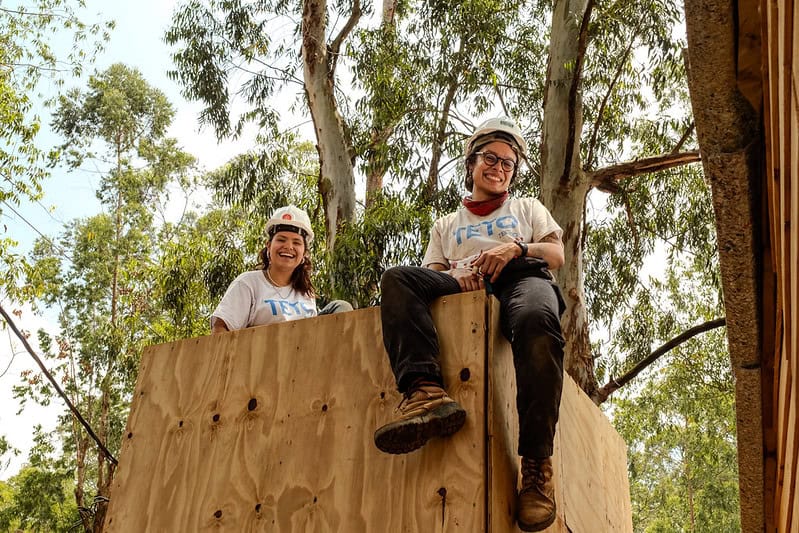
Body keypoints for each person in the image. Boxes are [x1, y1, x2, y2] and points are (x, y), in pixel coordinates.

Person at [373, 117, 566, 532]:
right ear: (472, 162)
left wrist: (514, 248)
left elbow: (556, 255)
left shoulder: (527, 208)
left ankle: (535, 468)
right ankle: (426, 393)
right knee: (397, 279)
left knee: (537, 319)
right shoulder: (447, 224)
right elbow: (432, 272)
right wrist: (455, 279)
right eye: (490, 159)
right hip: (460, 284)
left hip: (521, 278)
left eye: (508, 163)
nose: (498, 168)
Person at [211, 205, 352, 333]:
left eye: (296, 242)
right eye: (281, 240)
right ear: (268, 246)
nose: (288, 246)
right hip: (263, 356)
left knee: (341, 307)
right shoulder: (248, 283)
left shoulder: (306, 293)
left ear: (304, 253)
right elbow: (220, 328)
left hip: (304, 355)